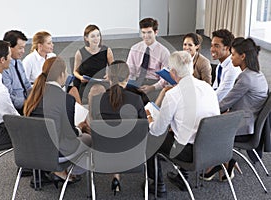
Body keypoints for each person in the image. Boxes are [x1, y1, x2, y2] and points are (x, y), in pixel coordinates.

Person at [145, 51, 220, 196]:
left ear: (172, 72)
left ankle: (158, 185)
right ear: (191, 68)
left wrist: (150, 118)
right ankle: (182, 177)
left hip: (190, 153)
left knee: (151, 137)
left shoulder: (173, 94)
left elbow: (157, 131)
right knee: (182, 130)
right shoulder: (207, 88)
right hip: (215, 147)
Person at [202, 38, 268, 181]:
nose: (231, 57)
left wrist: (202, 108)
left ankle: (223, 161)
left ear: (242, 56)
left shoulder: (245, 78)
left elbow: (225, 103)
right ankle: (224, 162)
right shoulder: (258, 75)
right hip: (250, 122)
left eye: (233, 54)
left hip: (243, 128)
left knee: (205, 128)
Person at [23, 56, 91, 187]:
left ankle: (56, 171)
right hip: (56, 152)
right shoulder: (66, 99)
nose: (67, 75)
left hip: (30, 150)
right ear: (61, 74)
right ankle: (66, 171)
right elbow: (70, 135)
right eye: (66, 72)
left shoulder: (32, 95)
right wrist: (80, 128)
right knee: (88, 138)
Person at [90, 60, 147, 195]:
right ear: (128, 78)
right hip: (132, 157)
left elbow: (95, 127)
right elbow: (145, 130)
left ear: (108, 77)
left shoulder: (97, 100)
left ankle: (116, 175)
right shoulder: (136, 100)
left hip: (103, 155)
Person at [126, 18, 170, 101]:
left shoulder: (164, 52)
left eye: (149, 32)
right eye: (143, 32)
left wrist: (152, 88)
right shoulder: (134, 48)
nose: (146, 36)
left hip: (153, 82)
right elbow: (130, 70)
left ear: (156, 32)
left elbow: (165, 79)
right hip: (137, 80)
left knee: (147, 104)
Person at [73, 24, 114, 102]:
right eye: (93, 36)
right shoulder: (80, 53)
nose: (96, 39)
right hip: (87, 83)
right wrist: (80, 77)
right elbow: (75, 72)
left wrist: (109, 75)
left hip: (102, 80)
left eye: (98, 35)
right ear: (86, 38)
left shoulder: (107, 50)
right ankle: (95, 112)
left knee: (100, 90)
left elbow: (113, 68)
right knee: (95, 91)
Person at [2, 30, 32, 115]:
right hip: (17, 109)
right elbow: (9, 98)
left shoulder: (18, 62)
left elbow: (26, 84)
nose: (23, 51)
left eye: (24, 47)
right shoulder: (4, 68)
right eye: (20, 48)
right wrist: (26, 103)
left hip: (27, 104)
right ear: (9, 48)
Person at [211, 29, 241, 101]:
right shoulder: (220, 66)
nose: (212, 49)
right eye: (212, 45)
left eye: (216, 46)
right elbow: (215, 88)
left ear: (227, 48)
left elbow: (221, 95)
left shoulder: (232, 68)